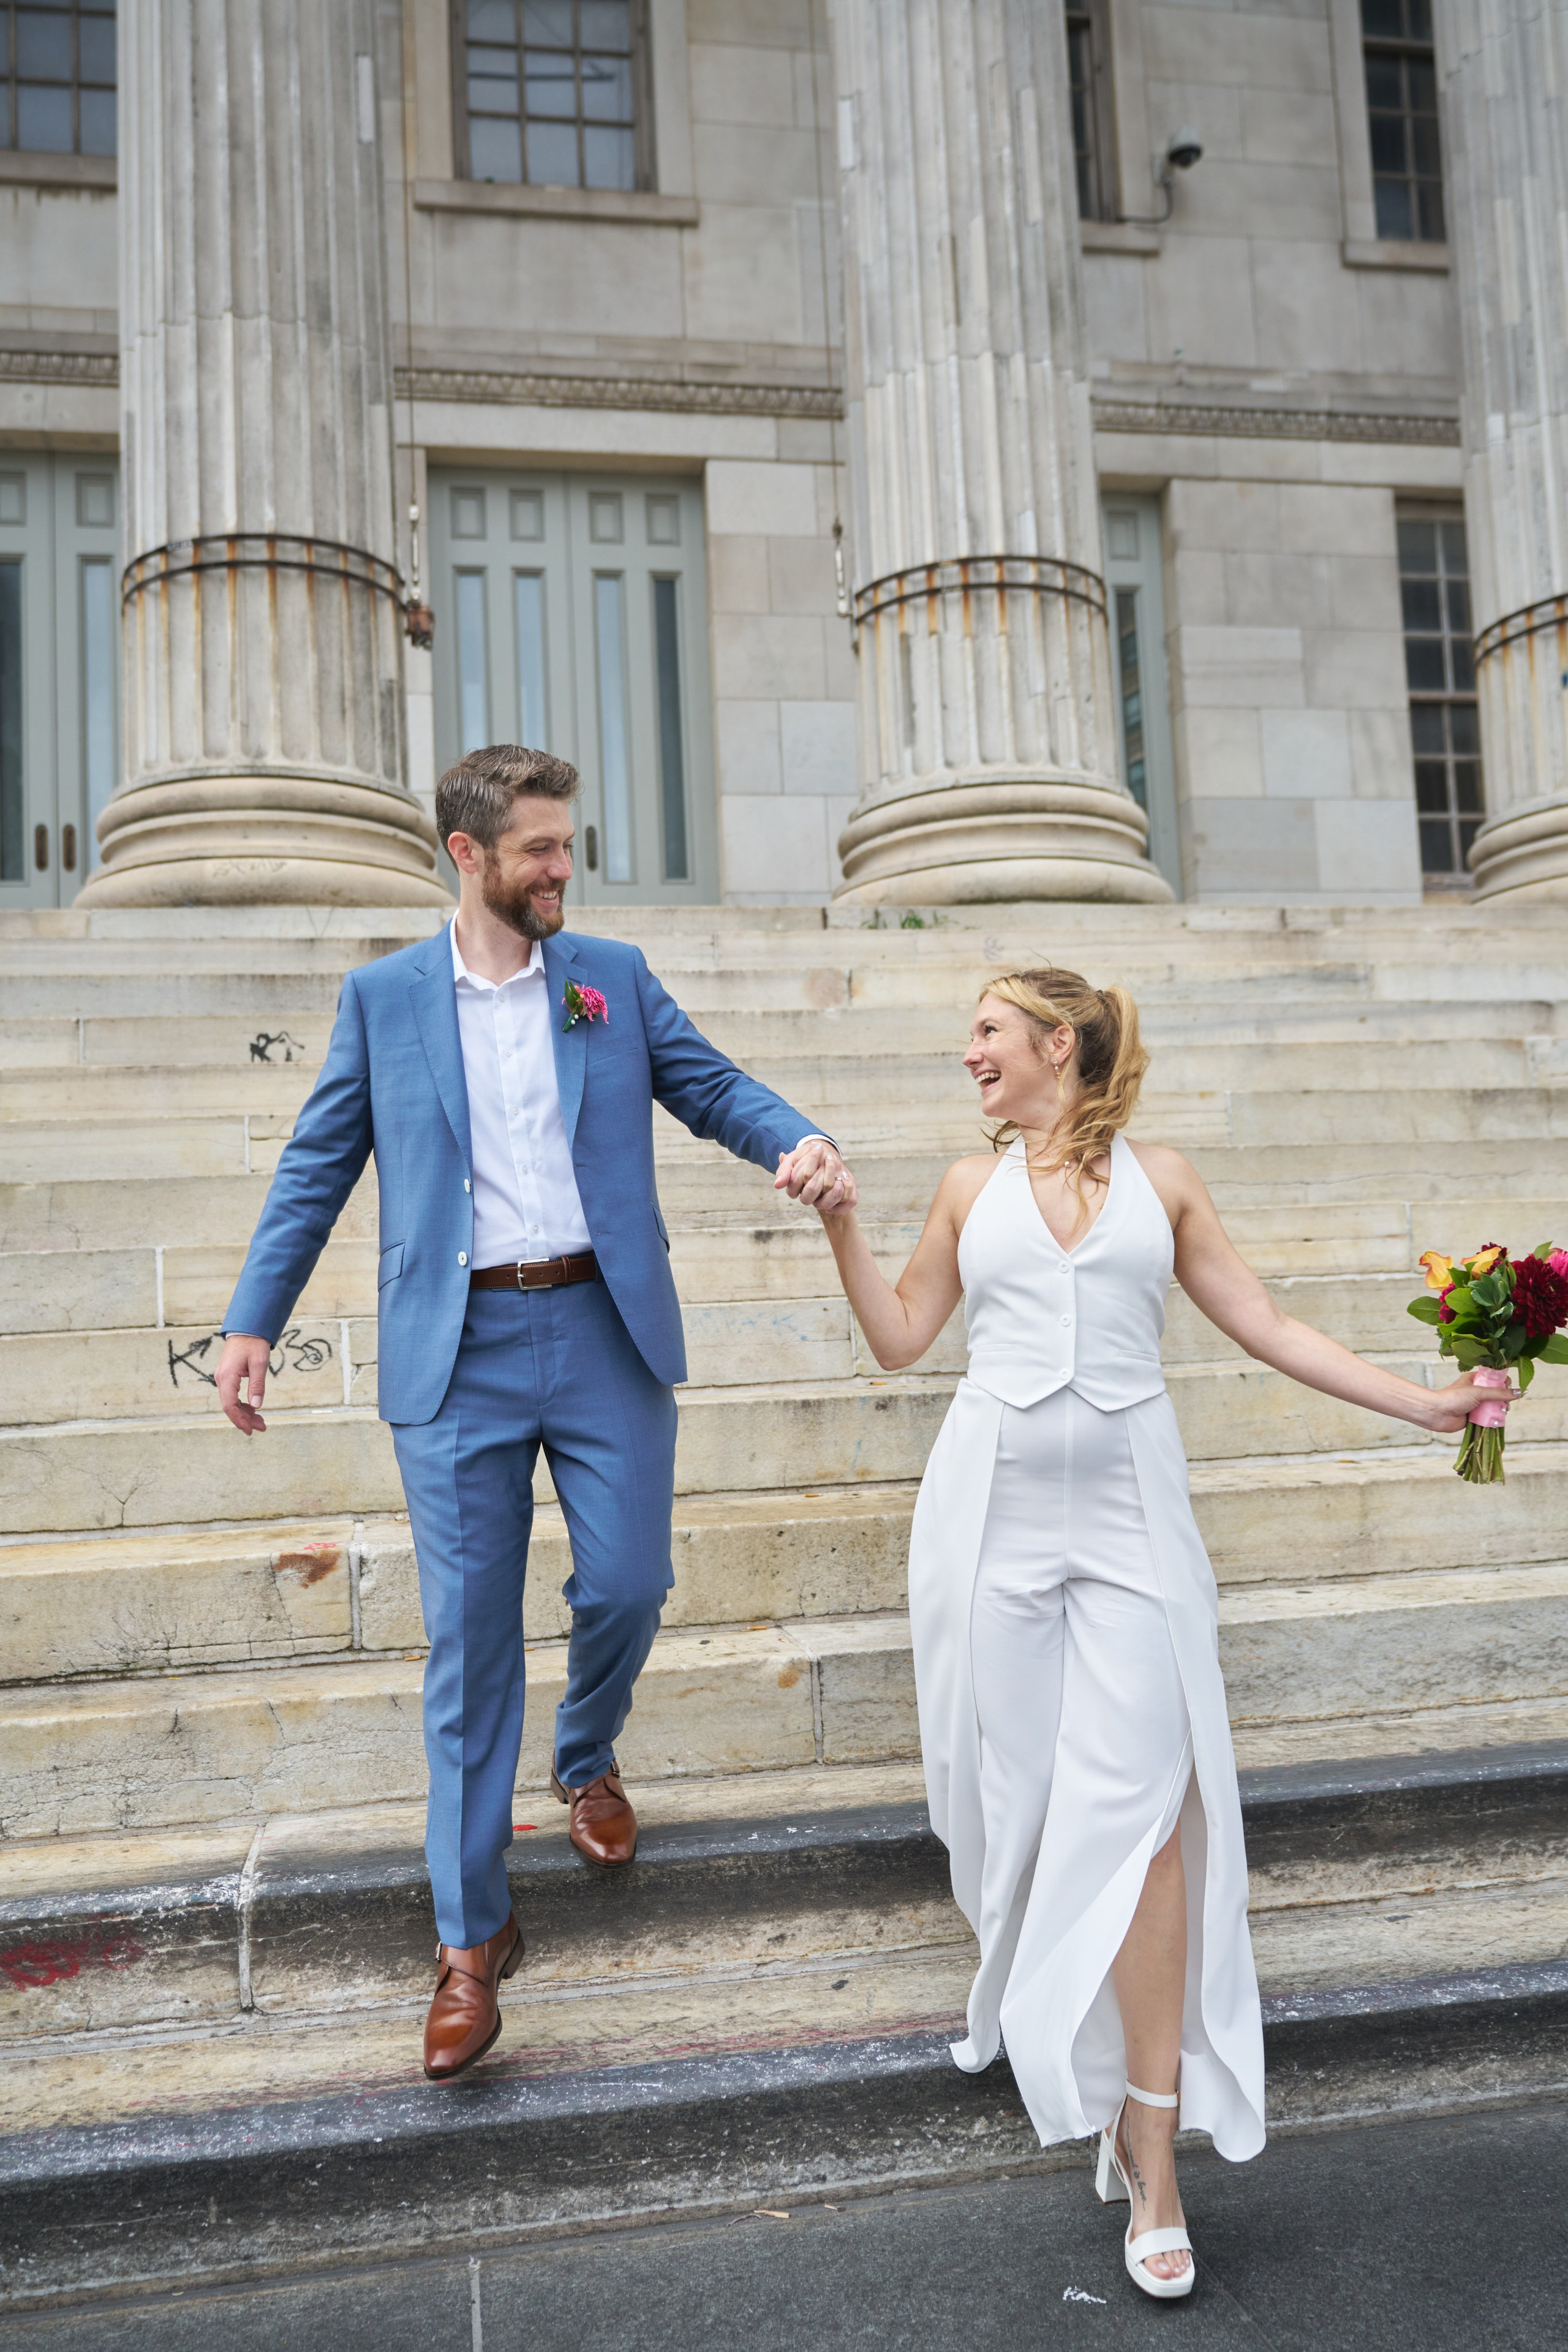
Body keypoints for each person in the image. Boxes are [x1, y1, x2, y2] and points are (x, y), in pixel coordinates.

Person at [812, 965, 1512, 2301]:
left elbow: (1265, 1323)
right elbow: (903, 1338)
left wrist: (1418, 1405)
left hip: (1132, 1526)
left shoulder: (1164, 1179)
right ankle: (1073, 2063)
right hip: (992, 1527)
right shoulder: (969, 1190)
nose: (968, 1054)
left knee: (1144, 1825)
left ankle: (1151, 2145)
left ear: (1054, 1045)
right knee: (1017, 1819)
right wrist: (844, 1223)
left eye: (986, 1033)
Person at [214, 745, 851, 2083]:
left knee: (627, 1581)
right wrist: (253, 1322)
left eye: (569, 846)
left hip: (604, 1327)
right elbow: (317, 1162)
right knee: (466, 1648)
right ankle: (468, 1940)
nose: (564, 869)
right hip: (459, 1353)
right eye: (540, 851)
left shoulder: (607, 978)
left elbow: (711, 1083)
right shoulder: (384, 1000)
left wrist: (789, 1137)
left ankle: (585, 1755)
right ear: (467, 855)